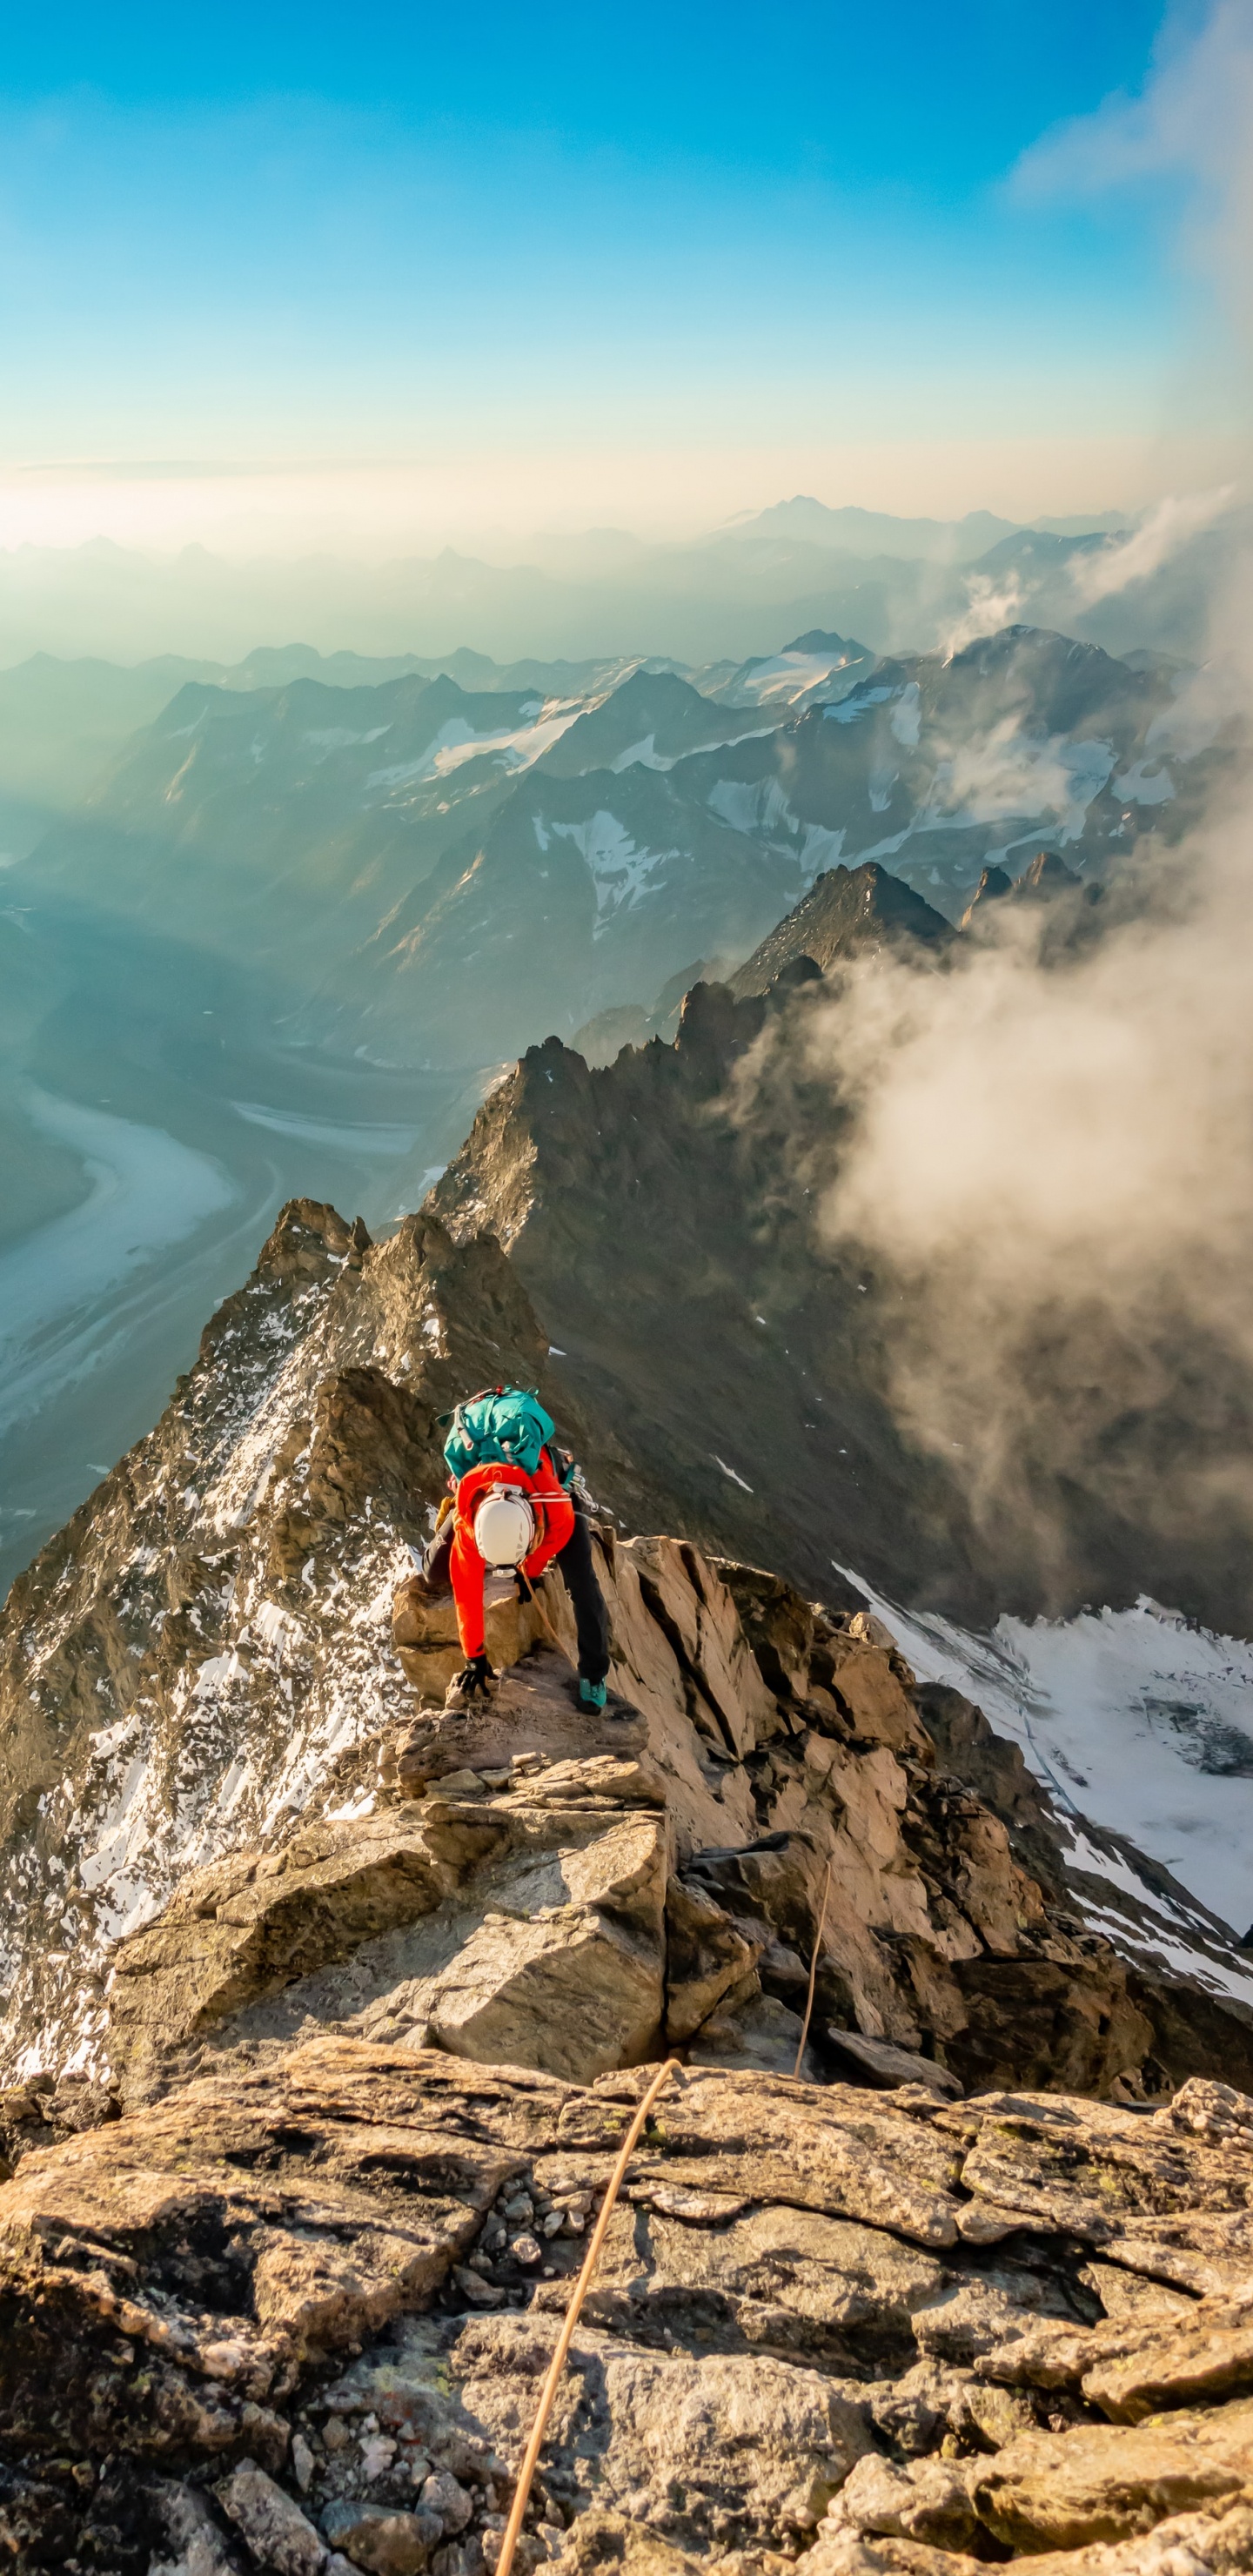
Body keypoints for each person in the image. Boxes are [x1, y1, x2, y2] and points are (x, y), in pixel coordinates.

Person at [412, 1388, 612, 1713]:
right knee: (434, 1570)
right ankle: (448, 1511)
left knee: (584, 1586)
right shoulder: (468, 1523)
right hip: (480, 1486)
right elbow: (466, 1591)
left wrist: (528, 1572)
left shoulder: (555, 1508)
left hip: (541, 1484)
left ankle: (594, 1673)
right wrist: (474, 1656)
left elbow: (547, 1546)